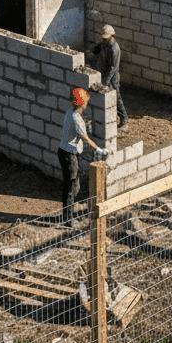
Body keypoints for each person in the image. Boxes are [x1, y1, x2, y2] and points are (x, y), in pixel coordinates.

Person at [57, 88, 106, 223]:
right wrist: (99, 150)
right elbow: (86, 139)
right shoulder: (75, 118)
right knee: (71, 187)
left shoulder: (70, 112)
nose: (87, 104)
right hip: (69, 155)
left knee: (74, 185)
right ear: (82, 103)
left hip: (66, 153)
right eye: (85, 101)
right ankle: (68, 219)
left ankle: (68, 214)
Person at [91, 23, 129, 132]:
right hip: (104, 75)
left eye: (105, 39)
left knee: (116, 98)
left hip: (113, 79)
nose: (103, 40)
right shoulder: (104, 44)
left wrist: (106, 82)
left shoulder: (114, 48)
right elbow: (97, 49)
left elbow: (113, 67)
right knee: (110, 100)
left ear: (112, 36)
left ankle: (124, 120)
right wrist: (90, 52)